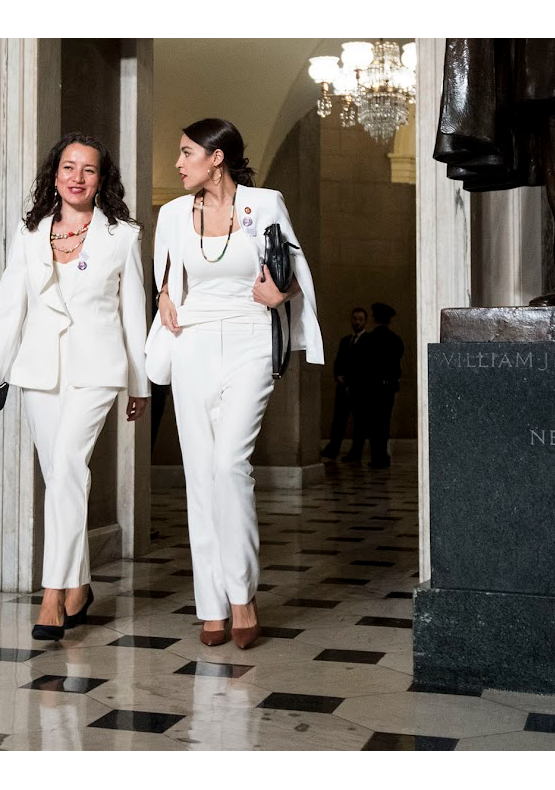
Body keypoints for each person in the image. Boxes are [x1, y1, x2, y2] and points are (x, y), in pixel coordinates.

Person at [0, 132, 149, 640]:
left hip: (97, 370)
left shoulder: (123, 236)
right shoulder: (30, 236)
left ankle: (52, 593)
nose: (77, 177)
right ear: (54, 174)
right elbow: (8, 311)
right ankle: (81, 585)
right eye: (69, 167)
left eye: (88, 169)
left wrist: (140, 385)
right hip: (38, 373)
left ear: (101, 179)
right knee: (61, 477)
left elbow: (135, 315)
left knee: (68, 464)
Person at [154, 117, 323, 648]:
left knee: (229, 464)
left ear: (216, 157)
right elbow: (167, 279)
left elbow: (296, 268)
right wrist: (162, 295)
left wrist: (283, 294)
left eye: (186, 153)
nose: (178, 163)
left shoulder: (263, 203)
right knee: (200, 473)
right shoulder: (173, 214)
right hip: (193, 344)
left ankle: (243, 597)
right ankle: (211, 605)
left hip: (251, 340)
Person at [353, 303, 404, 469]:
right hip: (388, 388)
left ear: (374, 319)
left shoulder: (368, 339)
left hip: (371, 389)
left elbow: (361, 366)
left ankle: (377, 457)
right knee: (384, 422)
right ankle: (383, 456)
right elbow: (397, 367)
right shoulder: (396, 340)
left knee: (374, 424)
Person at [320, 306, 370, 462]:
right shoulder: (345, 341)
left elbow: (365, 366)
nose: (357, 322)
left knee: (359, 422)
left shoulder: (368, 341)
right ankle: (333, 449)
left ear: (365, 322)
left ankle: (356, 453)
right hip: (342, 387)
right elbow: (338, 361)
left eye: (360, 319)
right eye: (355, 319)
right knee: (338, 420)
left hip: (359, 389)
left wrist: (352, 382)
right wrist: (338, 376)